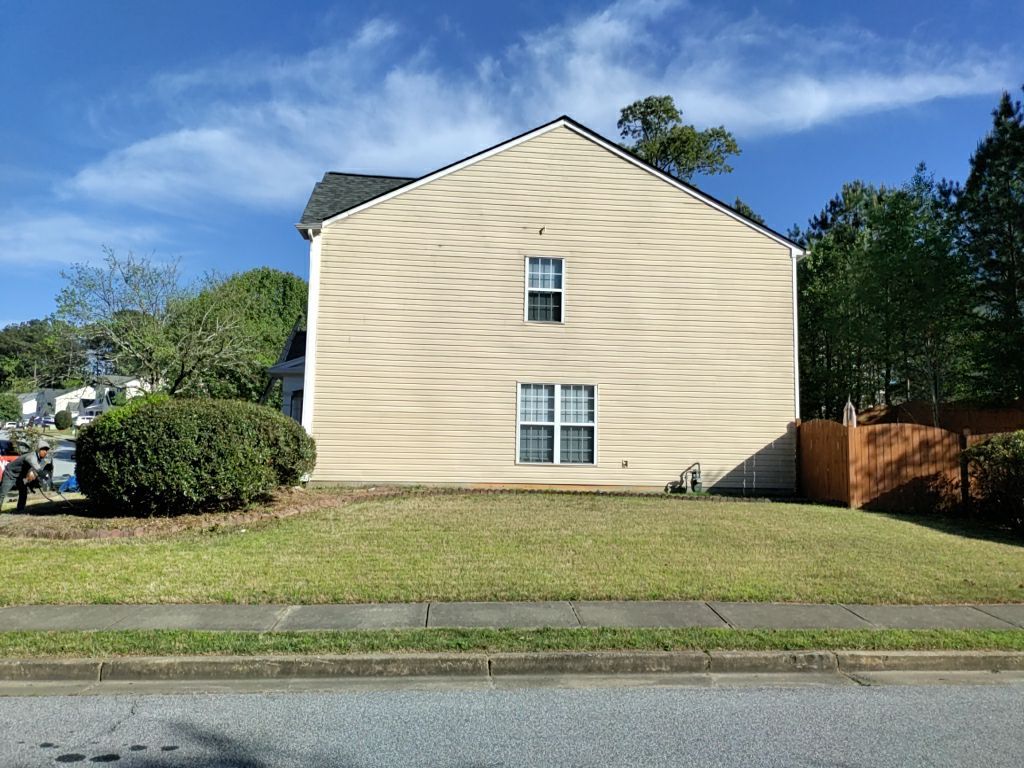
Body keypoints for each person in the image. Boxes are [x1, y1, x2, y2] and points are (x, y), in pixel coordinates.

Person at [0, 441, 51, 512]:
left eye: (46, 450)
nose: (45, 452)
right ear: (38, 450)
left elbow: (35, 472)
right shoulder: (31, 457)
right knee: (2, 493)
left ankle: (20, 510)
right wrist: (46, 476)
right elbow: (38, 470)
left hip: (20, 475)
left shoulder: (40, 459)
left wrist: (33, 482)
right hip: (10, 474)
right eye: (43, 450)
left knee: (23, 492)